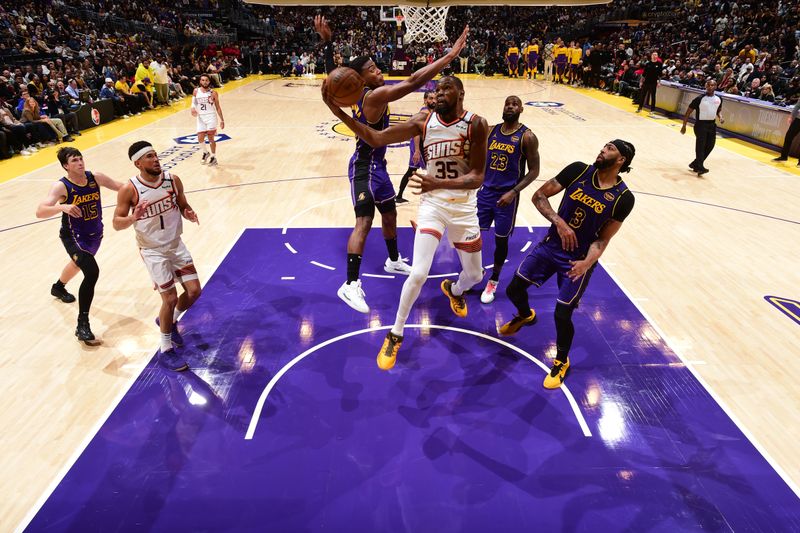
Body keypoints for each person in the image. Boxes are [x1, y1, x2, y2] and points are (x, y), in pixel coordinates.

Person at [323, 75, 489, 370]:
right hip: (433, 206)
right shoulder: (423, 122)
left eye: (446, 88)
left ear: (461, 93)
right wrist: (338, 113)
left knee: (475, 276)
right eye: (436, 89)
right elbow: (375, 138)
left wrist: (437, 181)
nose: (438, 93)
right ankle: (395, 333)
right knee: (419, 273)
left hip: (464, 208)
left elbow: (477, 176)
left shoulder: (476, 123)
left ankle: (455, 290)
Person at [315, 16, 468, 314]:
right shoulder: (373, 97)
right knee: (364, 222)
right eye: (372, 69)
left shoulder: (354, 93)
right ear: (360, 79)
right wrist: (449, 56)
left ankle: (393, 259)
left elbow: (335, 79)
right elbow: (413, 81)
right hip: (363, 166)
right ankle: (350, 284)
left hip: (379, 165)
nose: (379, 70)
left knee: (390, 213)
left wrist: (327, 44)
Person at [500, 141, 636, 389]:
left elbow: (603, 238)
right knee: (513, 290)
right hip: (551, 246)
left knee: (562, 314)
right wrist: (560, 223)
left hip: (578, 260)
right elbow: (538, 195)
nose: (602, 150)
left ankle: (561, 360)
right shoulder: (578, 171)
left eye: (609, 149)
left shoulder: (624, 198)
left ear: (621, 160)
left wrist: (586, 263)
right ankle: (525, 315)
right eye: (602, 146)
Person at [113, 141, 202, 371]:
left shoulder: (173, 180)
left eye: (156, 155)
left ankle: (170, 321)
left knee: (194, 291)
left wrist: (188, 212)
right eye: (149, 157)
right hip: (152, 250)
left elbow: (182, 203)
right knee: (169, 298)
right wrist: (134, 218)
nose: (155, 160)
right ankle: (166, 349)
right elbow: (116, 223)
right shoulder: (129, 189)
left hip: (175, 244)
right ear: (138, 163)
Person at [35, 148, 123, 344]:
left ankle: (58, 288)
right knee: (91, 271)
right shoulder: (61, 186)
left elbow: (120, 186)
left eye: (81, 158)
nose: (80, 163)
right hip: (73, 236)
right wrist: (61, 206)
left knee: (77, 264)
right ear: (66, 166)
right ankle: (82, 323)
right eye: (74, 160)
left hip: (95, 234)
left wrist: (142, 189)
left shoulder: (95, 177)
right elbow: (40, 211)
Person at [477, 96, 541, 304]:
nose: (510, 106)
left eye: (514, 104)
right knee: (472, 235)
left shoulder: (527, 136)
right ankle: (473, 273)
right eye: (507, 103)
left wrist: (513, 192)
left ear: (521, 109)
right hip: (485, 192)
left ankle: (493, 280)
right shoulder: (491, 131)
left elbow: (534, 171)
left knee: (501, 240)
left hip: (506, 197)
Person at [396, 90, 435, 204]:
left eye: (435, 98)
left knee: (412, 170)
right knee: (430, 169)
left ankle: (399, 196)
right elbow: (416, 133)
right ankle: (430, 197)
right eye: (430, 98)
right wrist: (417, 150)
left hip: (423, 144)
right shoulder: (424, 113)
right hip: (418, 144)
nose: (433, 101)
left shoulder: (432, 112)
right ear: (425, 100)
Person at [680, 79, 724, 175]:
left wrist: (720, 117)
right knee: (701, 146)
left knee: (710, 146)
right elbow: (688, 112)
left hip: (712, 125)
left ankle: (695, 164)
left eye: (712, 85)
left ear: (715, 87)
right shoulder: (699, 99)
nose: (710, 87)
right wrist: (684, 125)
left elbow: (718, 110)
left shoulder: (719, 98)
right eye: (708, 85)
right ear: (705, 86)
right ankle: (700, 167)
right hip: (701, 125)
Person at [191, 74, 225, 166]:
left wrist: (222, 120)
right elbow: (193, 103)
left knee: (211, 138)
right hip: (200, 117)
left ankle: (213, 157)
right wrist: (192, 108)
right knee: (200, 138)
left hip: (211, 117)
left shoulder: (213, 93)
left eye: (206, 80)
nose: (204, 82)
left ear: (209, 82)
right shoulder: (196, 91)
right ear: (200, 81)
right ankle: (206, 152)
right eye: (202, 80)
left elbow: (218, 107)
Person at [773, 99, 800, 165]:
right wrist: (791, 116)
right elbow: (797, 106)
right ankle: (784, 156)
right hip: (798, 119)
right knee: (788, 136)